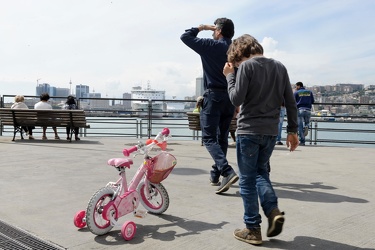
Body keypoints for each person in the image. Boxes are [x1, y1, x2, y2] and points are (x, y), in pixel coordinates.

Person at [224, 34, 299, 245]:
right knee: (261, 173)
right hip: (270, 132)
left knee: (247, 180)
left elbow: (236, 99)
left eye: (235, 62)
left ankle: (252, 229)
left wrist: (230, 76)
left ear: (239, 55)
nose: (236, 66)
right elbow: (290, 102)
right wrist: (292, 130)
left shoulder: (246, 67)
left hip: (249, 131)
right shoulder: (280, 66)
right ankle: (272, 210)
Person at [181, 18, 238, 194]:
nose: (212, 32)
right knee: (221, 138)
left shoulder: (211, 46)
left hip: (213, 97)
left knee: (208, 138)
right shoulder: (236, 49)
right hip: (230, 96)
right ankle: (216, 174)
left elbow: (185, 37)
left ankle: (227, 171)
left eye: (214, 30)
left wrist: (202, 27)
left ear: (219, 31)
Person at [294, 82, 315, 146]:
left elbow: (292, 101)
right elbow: (313, 101)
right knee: (307, 122)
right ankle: (307, 126)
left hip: (300, 110)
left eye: (296, 86)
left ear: (299, 86)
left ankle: (302, 141)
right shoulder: (309, 92)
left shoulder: (296, 93)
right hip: (308, 110)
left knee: (300, 126)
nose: (295, 88)